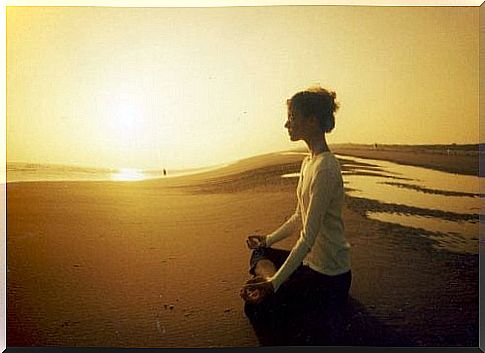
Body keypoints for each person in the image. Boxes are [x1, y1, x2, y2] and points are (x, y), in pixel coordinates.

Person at [240, 87, 352, 316]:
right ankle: (274, 278)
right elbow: (299, 215)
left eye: (292, 118)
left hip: (329, 276)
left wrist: (273, 285)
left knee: (255, 308)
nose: (286, 124)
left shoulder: (325, 168)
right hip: (309, 264)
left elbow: (307, 237)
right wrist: (268, 239)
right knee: (260, 252)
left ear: (311, 121)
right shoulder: (308, 162)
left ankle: (274, 282)